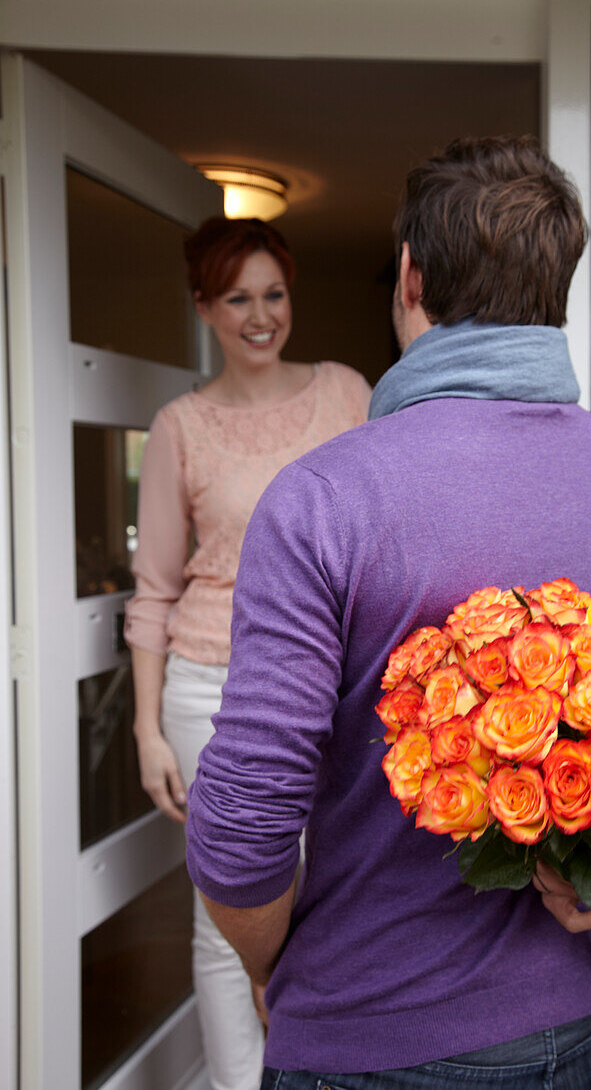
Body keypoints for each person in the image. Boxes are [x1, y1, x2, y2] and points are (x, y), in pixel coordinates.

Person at [185, 140, 591, 1089]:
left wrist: (272, 966)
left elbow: (242, 824)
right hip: (585, 1040)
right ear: (554, 288)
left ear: (410, 274)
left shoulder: (322, 496)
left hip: (366, 1037)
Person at [124, 215, 372, 1090]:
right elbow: (154, 590)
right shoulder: (180, 426)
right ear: (204, 308)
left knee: (330, 896)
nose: (261, 315)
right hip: (208, 687)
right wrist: (150, 729)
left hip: (333, 686)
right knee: (226, 913)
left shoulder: (347, 394)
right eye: (238, 298)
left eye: (274, 294)